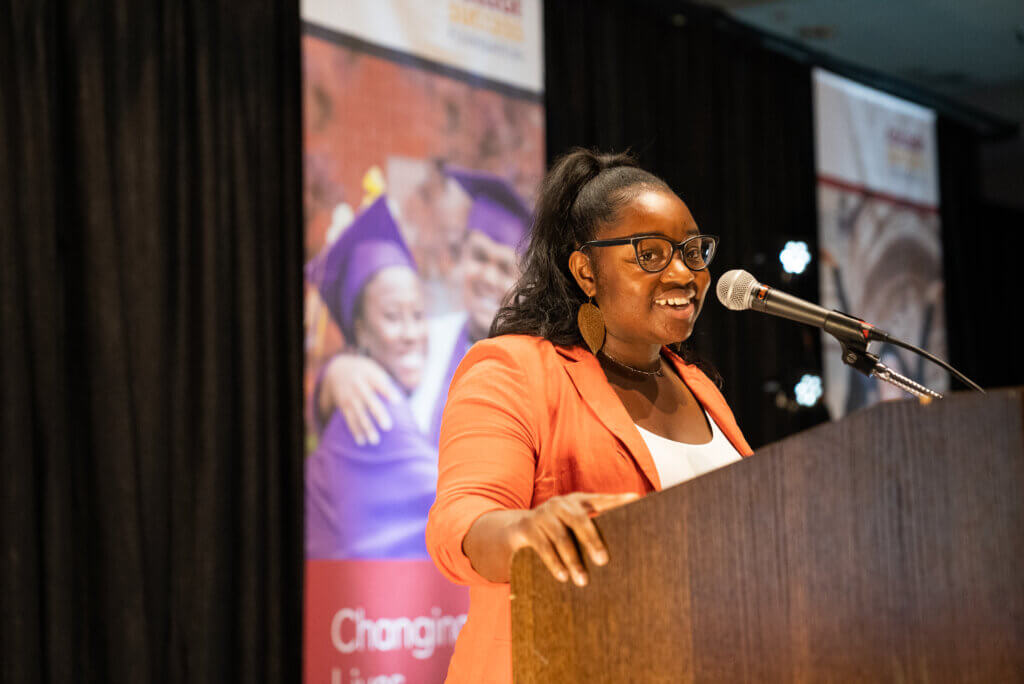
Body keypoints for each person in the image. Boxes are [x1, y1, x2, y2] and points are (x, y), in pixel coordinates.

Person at [425, 149, 754, 683]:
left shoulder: (700, 386)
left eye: (693, 252)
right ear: (586, 271)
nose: (684, 273)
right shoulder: (515, 369)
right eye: (650, 254)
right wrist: (527, 531)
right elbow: (461, 521)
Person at [315, 166, 531, 447]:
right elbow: (362, 380)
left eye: (504, 268)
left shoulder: (533, 367)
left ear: (524, 282)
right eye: (479, 257)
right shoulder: (426, 336)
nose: (488, 277)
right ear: (461, 257)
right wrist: (337, 373)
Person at [304, 196, 437, 559]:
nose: (412, 333)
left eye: (418, 315)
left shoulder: (373, 391)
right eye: (393, 316)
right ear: (360, 330)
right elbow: (457, 503)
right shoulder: (372, 402)